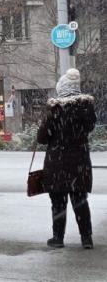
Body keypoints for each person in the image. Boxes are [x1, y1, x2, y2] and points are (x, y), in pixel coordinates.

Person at [37, 68, 96, 249]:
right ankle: (86, 238)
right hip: (80, 163)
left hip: (58, 164)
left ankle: (58, 238)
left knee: (58, 204)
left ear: (61, 89)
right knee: (80, 202)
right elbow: (89, 128)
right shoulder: (87, 109)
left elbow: (42, 138)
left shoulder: (55, 110)